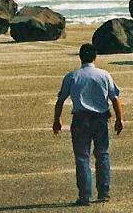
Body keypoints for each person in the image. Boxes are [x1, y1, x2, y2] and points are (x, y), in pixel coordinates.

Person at [53, 43, 124, 206]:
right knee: (102, 154)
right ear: (95, 57)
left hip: (80, 120)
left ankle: (84, 196)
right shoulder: (104, 75)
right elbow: (115, 99)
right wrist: (120, 119)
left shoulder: (72, 76)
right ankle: (104, 192)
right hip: (100, 119)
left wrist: (57, 120)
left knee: (82, 158)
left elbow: (60, 100)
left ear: (80, 57)